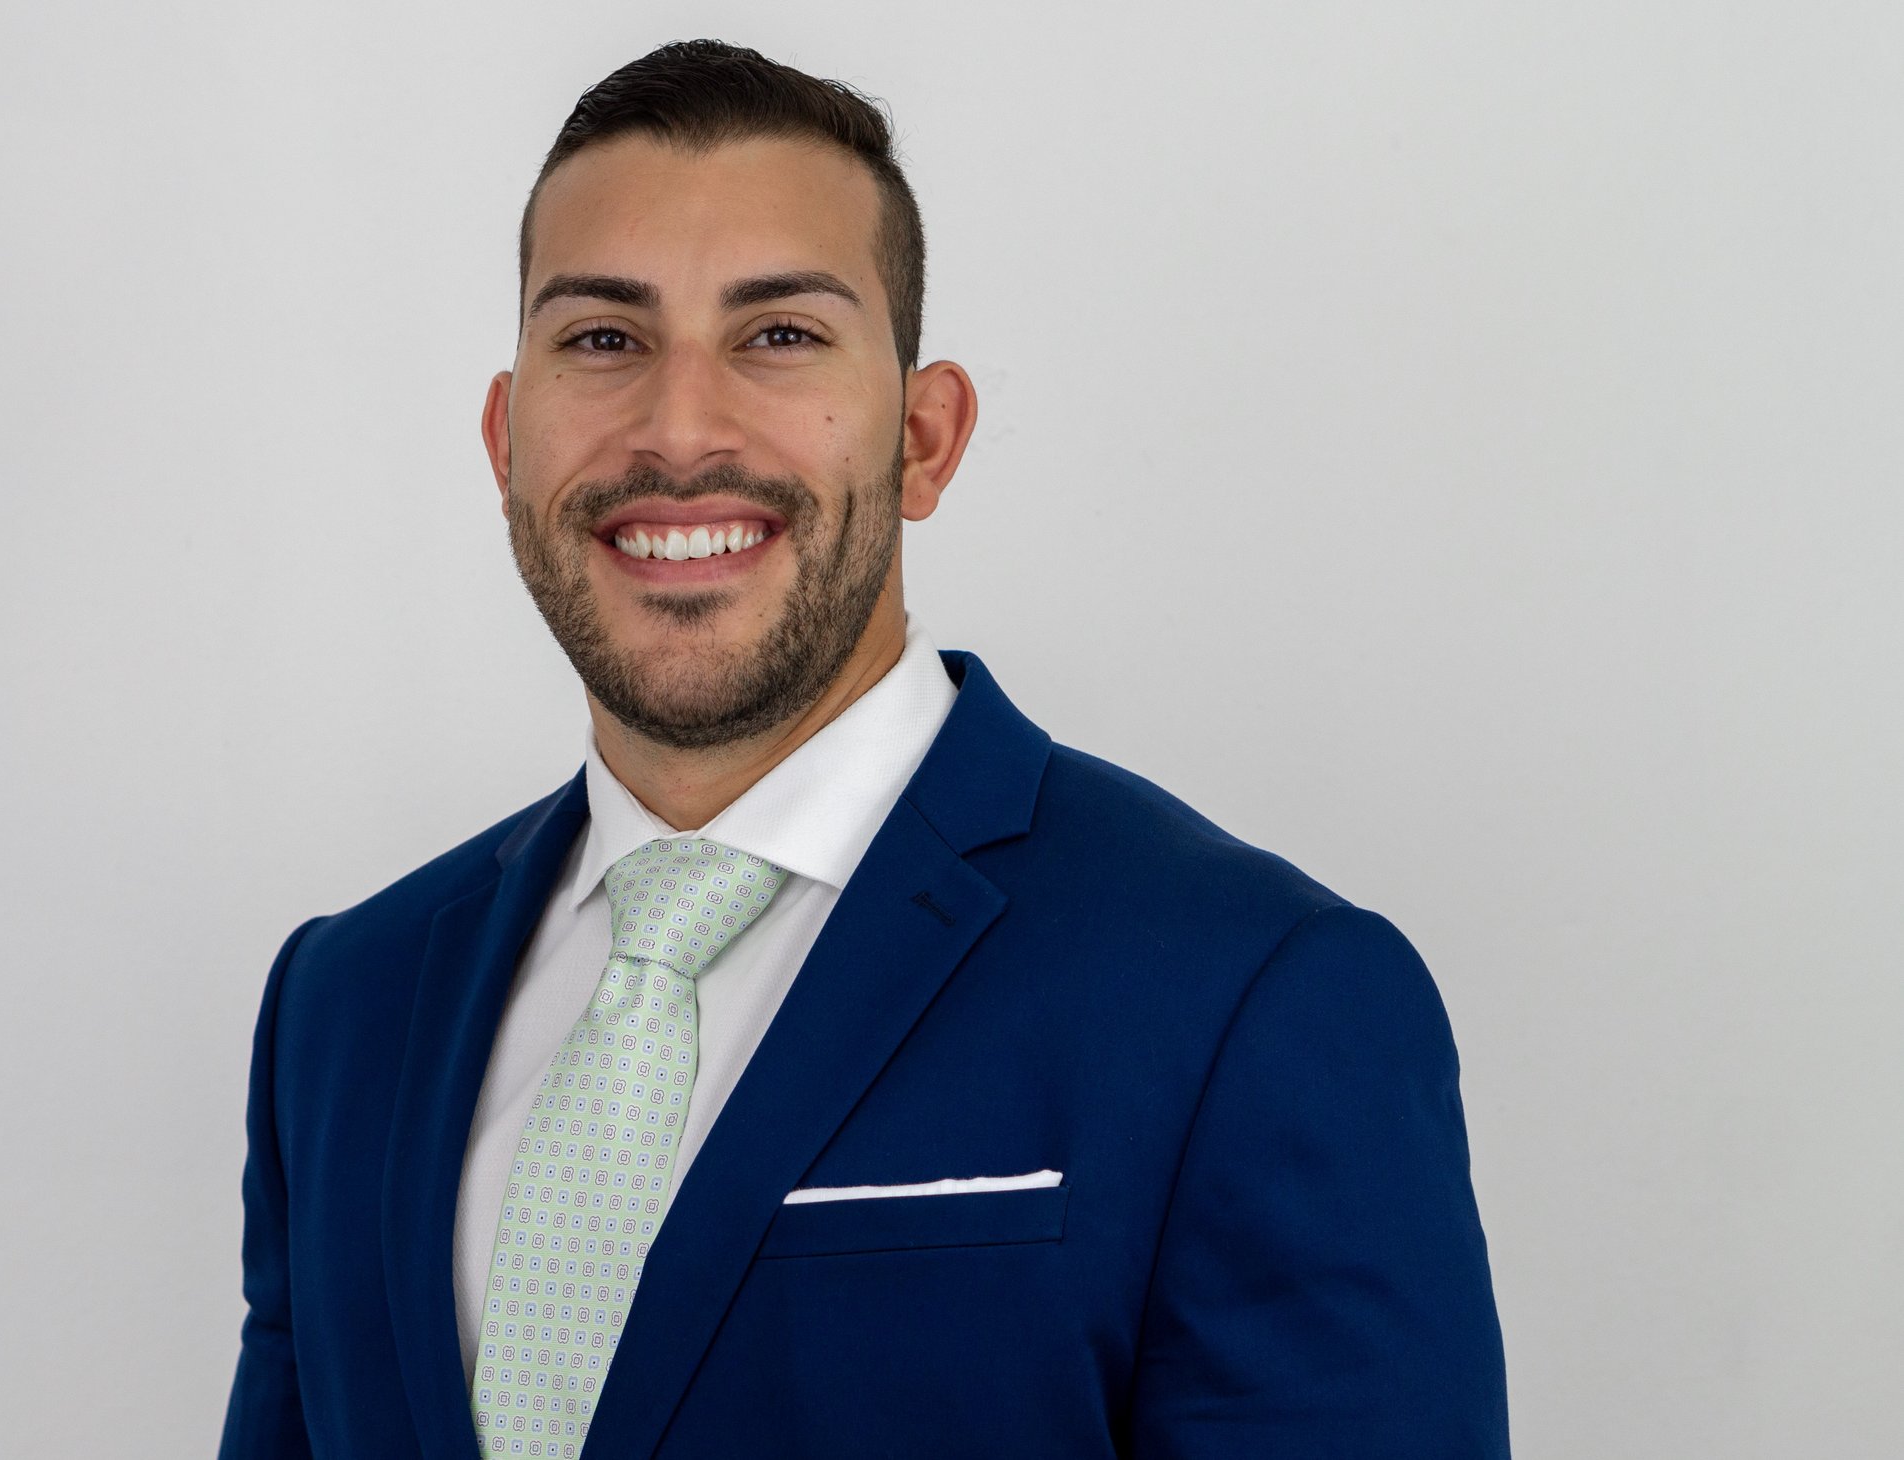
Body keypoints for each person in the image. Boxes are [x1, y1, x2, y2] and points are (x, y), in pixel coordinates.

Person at [217, 39, 1507, 1460]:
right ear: (506, 439)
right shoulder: (344, 1008)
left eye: (778, 336)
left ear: (925, 438)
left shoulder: (1251, 1000)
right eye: (602, 338)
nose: (678, 426)